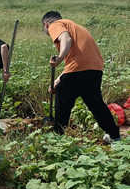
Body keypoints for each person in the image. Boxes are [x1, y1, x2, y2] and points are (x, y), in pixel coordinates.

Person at [42, 11, 121, 143]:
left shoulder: (55, 25)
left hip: (79, 69)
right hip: (95, 68)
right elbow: (76, 61)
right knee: (96, 105)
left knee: (63, 100)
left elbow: (66, 39)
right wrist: (58, 80)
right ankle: (115, 136)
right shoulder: (77, 27)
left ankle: (57, 139)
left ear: (46, 24)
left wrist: (59, 58)